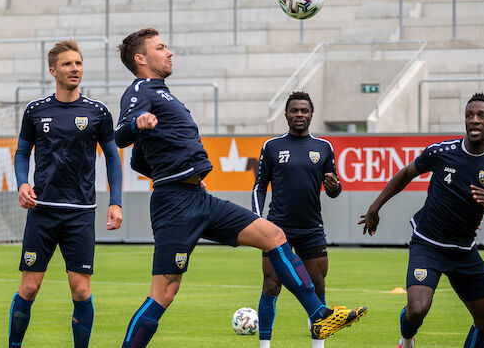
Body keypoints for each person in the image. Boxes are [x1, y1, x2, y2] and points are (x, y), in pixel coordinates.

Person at [114, 28, 367, 348]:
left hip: (198, 197)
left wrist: (179, 172)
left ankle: (319, 314)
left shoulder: (163, 94)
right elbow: (120, 135)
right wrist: (139, 127)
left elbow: (140, 161)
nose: (169, 52)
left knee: (274, 236)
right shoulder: (140, 90)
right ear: (141, 58)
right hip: (175, 204)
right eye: (161, 47)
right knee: (164, 292)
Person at [360, 93, 484, 348]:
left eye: (482, 116)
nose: (475, 120)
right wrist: (375, 207)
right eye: (470, 115)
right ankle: (406, 340)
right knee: (417, 308)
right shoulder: (442, 151)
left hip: (463, 250)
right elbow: (406, 173)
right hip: (428, 244)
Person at [8, 40, 123, 348]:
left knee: (81, 291)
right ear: (53, 70)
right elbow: (21, 152)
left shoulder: (97, 112)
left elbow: (112, 156)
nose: (75, 69)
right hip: (42, 210)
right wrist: (22, 182)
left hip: (80, 213)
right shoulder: (36, 110)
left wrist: (115, 202)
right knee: (29, 288)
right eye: (68, 64)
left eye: (78, 63)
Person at [252, 91, 341, 348]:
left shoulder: (324, 148)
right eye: (294, 110)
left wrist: (334, 186)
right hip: (276, 229)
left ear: (311, 114)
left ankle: (318, 345)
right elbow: (259, 186)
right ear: (286, 114)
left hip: (311, 229)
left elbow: (335, 190)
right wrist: (259, 221)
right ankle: (265, 345)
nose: (299, 115)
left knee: (318, 284)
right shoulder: (272, 147)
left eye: (304, 110)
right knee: (271, 285)